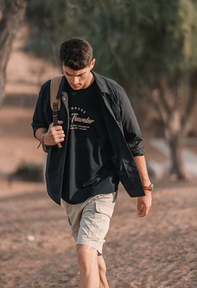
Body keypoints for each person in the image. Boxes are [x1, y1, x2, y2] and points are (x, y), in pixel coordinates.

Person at [31, 37, 152, 288]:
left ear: (92, 64)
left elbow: (134, 142)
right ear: (61, 66)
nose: (74, 81)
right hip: (68, 189)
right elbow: (37, 125)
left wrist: (146, 188)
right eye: (68, 74)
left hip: (102, 185)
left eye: (81, 74)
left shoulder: (112, 93)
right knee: (93, 256)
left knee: (85, 252)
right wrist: (46, 138)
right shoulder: (51, 89)